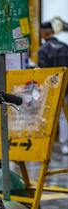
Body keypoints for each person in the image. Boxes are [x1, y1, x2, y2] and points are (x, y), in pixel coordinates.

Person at [38, 22, 68, 155]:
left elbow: (43, 72)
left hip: (50, 88)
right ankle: (64, 145)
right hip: (66, 87)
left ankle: (45, 144)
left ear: (43, 33)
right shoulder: (65, 47)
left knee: (46, 115)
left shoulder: (43, 49)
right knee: (63, 116)